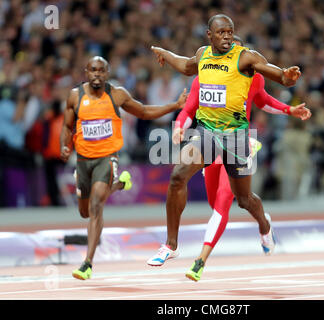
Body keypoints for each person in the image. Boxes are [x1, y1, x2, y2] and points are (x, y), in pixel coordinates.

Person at [147, 15, 302, 278]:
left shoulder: (246, 57)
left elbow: (276, 77)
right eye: (221, 32)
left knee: (244, 200)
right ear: (209, 34)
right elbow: (186, 66)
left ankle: (264, 225)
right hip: (206, 133)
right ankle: (171, 245)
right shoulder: (203, 54)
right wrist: (165, 53)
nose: (227, 36)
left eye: (230, 32)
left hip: (236, 138)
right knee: (177, 177)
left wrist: (287, 77)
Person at [60, 56, 187, 280]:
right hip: (83, 160)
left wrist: (175, 106)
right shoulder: (75, 96)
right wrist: (64, 145)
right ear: (86, 72)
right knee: (84, 211)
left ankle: (87, 263)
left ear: (107, 73)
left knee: (96, 205)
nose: (97, 74)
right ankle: (120, 184)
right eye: (93, 70)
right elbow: (67, 125)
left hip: (107, 157)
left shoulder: (117, 94)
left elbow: (144, 111)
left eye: (101, 70)